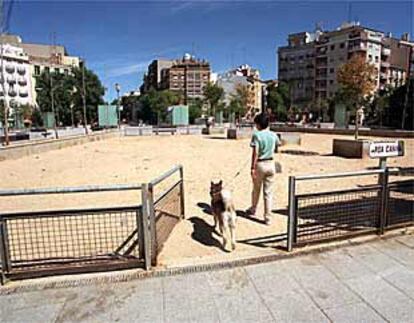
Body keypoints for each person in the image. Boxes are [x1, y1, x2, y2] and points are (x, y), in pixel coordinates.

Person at [247, 113, 280, 224]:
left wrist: (252, 167)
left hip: (260, 164)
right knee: (268, 193)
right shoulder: (273, 134)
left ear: (259, 124)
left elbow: (255, 152)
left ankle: (253, 208)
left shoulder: (257, 135)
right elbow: (277, 147)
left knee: (256, 189)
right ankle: (268, 217)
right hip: (271, 163)